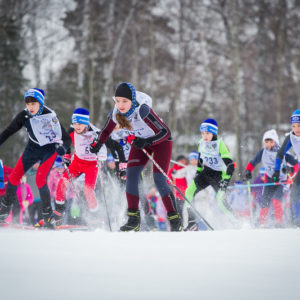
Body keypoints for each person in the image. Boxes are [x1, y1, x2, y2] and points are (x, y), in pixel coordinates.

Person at [90, 82, 182, 231]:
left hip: (160, 142)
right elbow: (106, 131)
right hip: (140, 143)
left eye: (125, 101)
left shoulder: (143, 110)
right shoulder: (116, 112)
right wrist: (97, 144)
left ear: (132, 100)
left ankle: (175, 219)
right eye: (118, 100)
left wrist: (147, 141)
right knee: (130, 175)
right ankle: (133, 219)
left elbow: (166, 132)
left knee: (159, 179)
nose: (120, 104)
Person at [0, 88, 71, 228]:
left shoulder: (50, 116)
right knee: (14, 177)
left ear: (41, 103)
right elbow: (9, 131)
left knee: (40, 178)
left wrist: (63, 150)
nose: (30, 107)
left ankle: (48, 216)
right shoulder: (24, 116)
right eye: (28, 104)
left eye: (34, 103)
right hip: (32, 149)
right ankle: (4, 211)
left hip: (49, 150)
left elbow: (66, 139)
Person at [54, 108, 107, 226]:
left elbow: (103, 148)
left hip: (91, 166)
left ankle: (95, 216)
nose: (77, 126)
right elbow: (66, 143)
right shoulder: (71, 130)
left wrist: (100, 153)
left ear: (86, 123)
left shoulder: (95, 132)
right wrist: (67, 157)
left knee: (88, 190)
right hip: (77, 163)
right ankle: (58, 213)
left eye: (80, 124)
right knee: (62, 183)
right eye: (75, 123)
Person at [185, 118, 235, 230]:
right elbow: (200, 160)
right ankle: (192, 222)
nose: (204, 136)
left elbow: (230, 166)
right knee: (188, 192)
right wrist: (198, 172)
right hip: (207, 172)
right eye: (202, 133)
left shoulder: (220, 144)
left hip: (220, 175)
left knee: (221, 200)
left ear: (213, 132)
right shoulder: (201, 143)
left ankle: (236, 222)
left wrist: (225, 181)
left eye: (207, 133)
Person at [244, 129, 297, 227]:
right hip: (269, 179)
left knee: (276, 200)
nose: (268, 144)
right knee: (265, 201)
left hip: (281, 181)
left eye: (271, 142)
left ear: (275, 142)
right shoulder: (263, 152)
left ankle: (278, 223)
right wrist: (248, 171)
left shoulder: (283, 152)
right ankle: (262, 223)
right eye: (266, 142)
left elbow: (296, 164)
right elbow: (253, 162)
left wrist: (290, 169)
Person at [273, 110, 300, 226]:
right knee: (294, 191)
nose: (296, 129)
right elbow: (280, 154)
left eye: (299, 125)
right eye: (294, 126)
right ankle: (297, 220)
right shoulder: (291, 137)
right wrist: (276, 171)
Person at [168, 155, 188, 220]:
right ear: (177, 161)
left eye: (184, 161)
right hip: (178, 195)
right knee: (179, 213)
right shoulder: (173, 170)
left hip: (187, 195)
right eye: (181, 161)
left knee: (188, 212)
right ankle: (181, 225)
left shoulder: (187, 168)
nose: (183, 162)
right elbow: (168, 181)